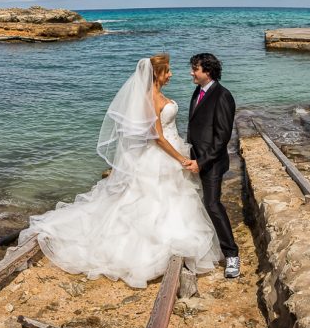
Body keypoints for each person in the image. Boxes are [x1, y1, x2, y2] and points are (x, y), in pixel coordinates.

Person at [18, 55, 221, 288]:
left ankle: (178, 240)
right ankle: (153, 249)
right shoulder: (150, 99)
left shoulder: (158, 96)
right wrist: (181, 158)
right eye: (167, 71)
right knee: (153, 200)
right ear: (157, 74)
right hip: (162, 156)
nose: (171, 74)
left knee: (173, 199)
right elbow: (157, 137)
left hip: (171, 151)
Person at [185, 53, 240, 279]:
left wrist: (202, 161)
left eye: (195, 69)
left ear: (207, 71)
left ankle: (232, 255)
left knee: (212, 204)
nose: (191, 72)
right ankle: (206, 247)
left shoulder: (223, 95)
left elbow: (222, 137)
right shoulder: (198, 91)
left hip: (212, 162)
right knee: (198, 203)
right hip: (195, 158)